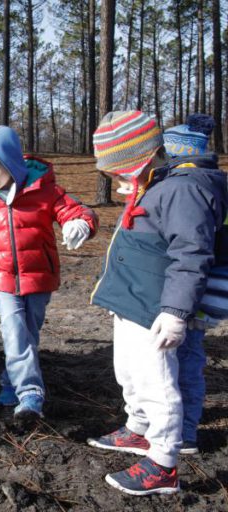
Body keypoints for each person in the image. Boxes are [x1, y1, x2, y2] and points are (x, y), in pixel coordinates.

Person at [86, 111, 227, 496]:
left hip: (154, 307)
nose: (115, 181)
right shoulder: (153, 184)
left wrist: (175, 312)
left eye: (118, 172)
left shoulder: (182, 190)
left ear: (142, 159)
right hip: (131, 301)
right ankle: (139, 429)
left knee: (157, 384)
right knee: (128, 373)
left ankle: (163, 462)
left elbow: (191, 255)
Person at [0, 126, 97, 421]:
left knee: (28, 333)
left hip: (39, 277)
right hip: (1, 279)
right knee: (14, 331)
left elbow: (77, 211)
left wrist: (81, 223)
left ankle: (10, 381)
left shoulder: (44, 189)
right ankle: (30, 392)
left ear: (11, 161)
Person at [162, 113, 221, 455]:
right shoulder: (208, 179)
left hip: (197, 289)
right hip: (201, 287)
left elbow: (191, 249)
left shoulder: (190, 187)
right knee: (187, 355)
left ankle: (185, 431)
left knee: (187, 357)